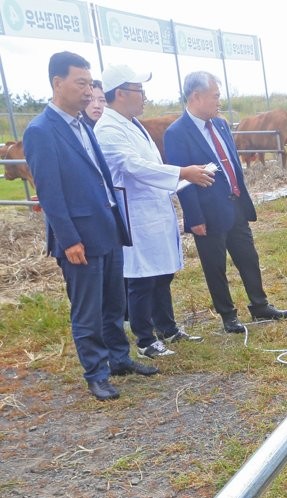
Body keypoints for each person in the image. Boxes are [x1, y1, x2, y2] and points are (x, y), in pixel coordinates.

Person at [23, 52, 157, 401]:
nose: (88, 91)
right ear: (57, 83)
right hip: (79, 238)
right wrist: (69, 240)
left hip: (107, 229)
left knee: (114, 303)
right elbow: (50, 193)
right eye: (80, 83)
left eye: (89, 83)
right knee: (88, 310)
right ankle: (96, 373)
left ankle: (118, 359)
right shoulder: (41, 131)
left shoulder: (83, 124)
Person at [95, 64, 216, 359]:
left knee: (161, 274)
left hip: (153, 210)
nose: (144, 96)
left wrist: (179, 179)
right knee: (141, 278)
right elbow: (134, 166)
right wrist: (182, 172)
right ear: (121, 93)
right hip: (136, 216)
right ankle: (145, 339)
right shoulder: (108, 129)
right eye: (139, 90)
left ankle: (167, 327)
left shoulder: (132, 123)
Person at [163, 71, 287, 333]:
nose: (219, 101)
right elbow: (183, 180)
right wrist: (194, 218)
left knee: (248, 257)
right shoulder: (177, 133)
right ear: (196, 96)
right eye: (215, 96)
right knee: (215, 265)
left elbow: (230, 161)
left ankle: (260, 305)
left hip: (235, 204)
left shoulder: (220, 124)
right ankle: (228, 315)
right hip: (207, 213)